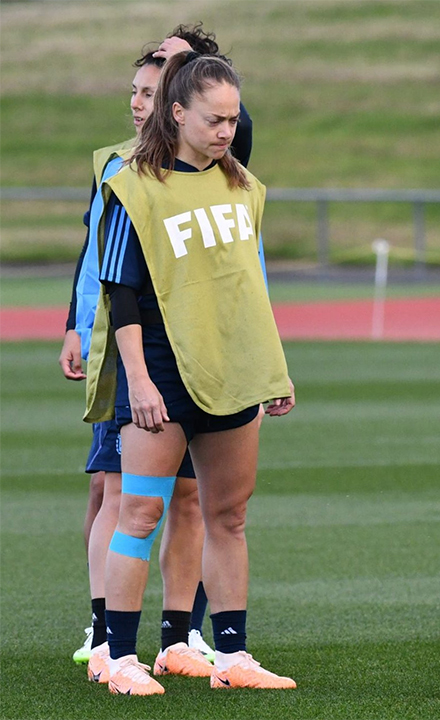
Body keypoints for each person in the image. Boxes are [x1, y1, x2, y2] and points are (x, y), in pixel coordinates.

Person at [83, 50, 295, 695]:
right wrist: (139, 382)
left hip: (231, 371)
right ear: (177, 114)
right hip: (161, 375)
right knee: (141, 512)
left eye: (233, 118)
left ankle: (231, 655)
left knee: (227, 516)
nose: (228, 130)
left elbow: (244, 287)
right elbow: (119, 292)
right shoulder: (132, 187)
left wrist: (271, 370)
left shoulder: (241, 185)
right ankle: (118, 657)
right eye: (215, 118)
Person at [60, 24, 254, 681]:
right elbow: (105, 266)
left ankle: (183, 637)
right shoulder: (121, 173)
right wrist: (74, 324)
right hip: (137, 359)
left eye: (160, 85)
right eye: (140, 89)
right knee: (118, 495)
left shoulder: (225, 167)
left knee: (203, 505)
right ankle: (110, 639)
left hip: (213, 366)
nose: (142, 100)